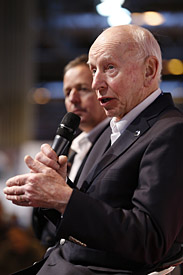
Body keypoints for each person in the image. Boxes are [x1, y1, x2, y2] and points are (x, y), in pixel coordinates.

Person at [4, 24, 183, 275]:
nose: (97, 82)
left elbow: (149, 241)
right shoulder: (112, 129)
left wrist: (64, 198)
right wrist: (56, 189)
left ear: (149, 70)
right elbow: (92, 213)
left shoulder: (171, 132)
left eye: (109, 68)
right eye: (93, 69)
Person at [32, 54, 110, 247]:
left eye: (82, 89)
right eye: (67, 92)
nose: (73, 99)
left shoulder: (117, 145)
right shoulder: (71, 147)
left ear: (102, 90)